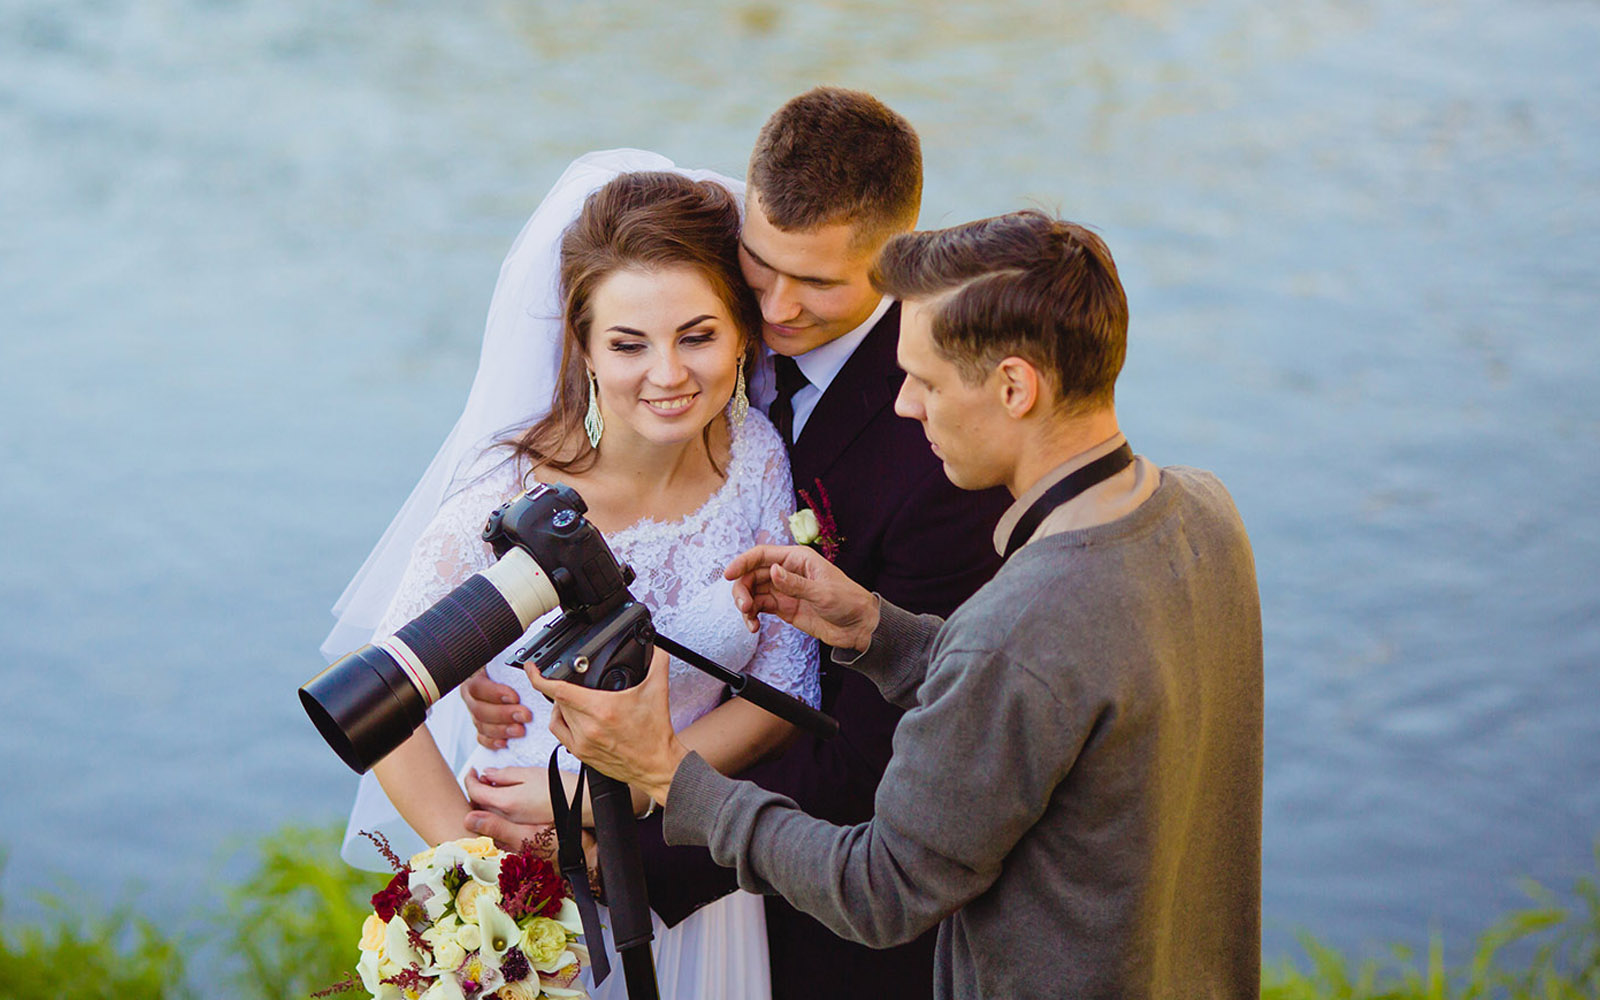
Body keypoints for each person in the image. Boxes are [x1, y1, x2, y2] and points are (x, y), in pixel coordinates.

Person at [522, 211, 1266, 999]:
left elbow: (879, 891)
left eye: (927, 380)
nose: (906, 406)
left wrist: (671, 774)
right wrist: (880, 632)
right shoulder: (1202, 509)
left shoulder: (1015, 631)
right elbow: (1051, 693)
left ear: (1015, 387)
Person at [460, 87, 1012, 1000]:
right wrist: (498, 649)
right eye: (760, 266)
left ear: (899, 260)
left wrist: (605, 832)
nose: (780, 309)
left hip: (799, 910)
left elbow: (875, 753)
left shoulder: (942, 453)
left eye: (822, 284)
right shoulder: (699, 322)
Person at [323, 156, 821, 1000]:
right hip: (538, 889)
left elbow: (777, 694)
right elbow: (377, 708)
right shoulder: (512, 499)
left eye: (696, 335)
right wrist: (480, 880)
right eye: (628, 344)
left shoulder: (763, 466)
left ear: (742, 332)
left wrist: (618, 792)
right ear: (584, 349)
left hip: (692, 875)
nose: (667, 375)